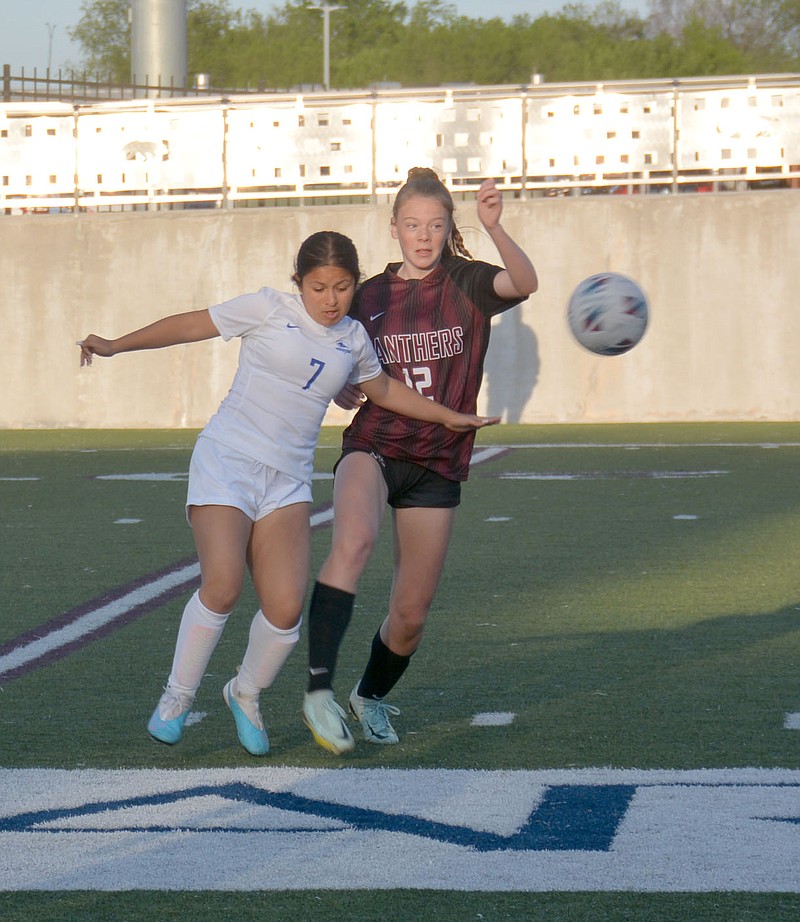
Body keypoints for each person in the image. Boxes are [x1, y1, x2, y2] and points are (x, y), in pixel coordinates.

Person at [77, 230, 497, 758]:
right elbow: (190, 324)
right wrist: (115, 344)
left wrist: (449, 416)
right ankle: (177, 697)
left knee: (285, 609)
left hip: (288, 480)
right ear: (298, 283)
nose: (330, 299)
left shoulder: (354, 339)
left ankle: (244, 693)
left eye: (343, 287)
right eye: (318, 287)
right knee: (224, 585)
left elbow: (385, 391)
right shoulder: (266, 308)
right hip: (228, 461)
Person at [302, 171, 539, 755]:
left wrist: (494, 226)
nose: (424, 236)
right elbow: (328, 340)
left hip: (439, 460)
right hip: (376, 445)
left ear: (447, 230)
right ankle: (318, 690)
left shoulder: (468, 282)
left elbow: (526, 282)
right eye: (412, 225)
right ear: (394, 229)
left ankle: (370, 695)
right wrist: (337, 386)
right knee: (352, 543)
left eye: (435, 226)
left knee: (410, 614)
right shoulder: (371, 294)